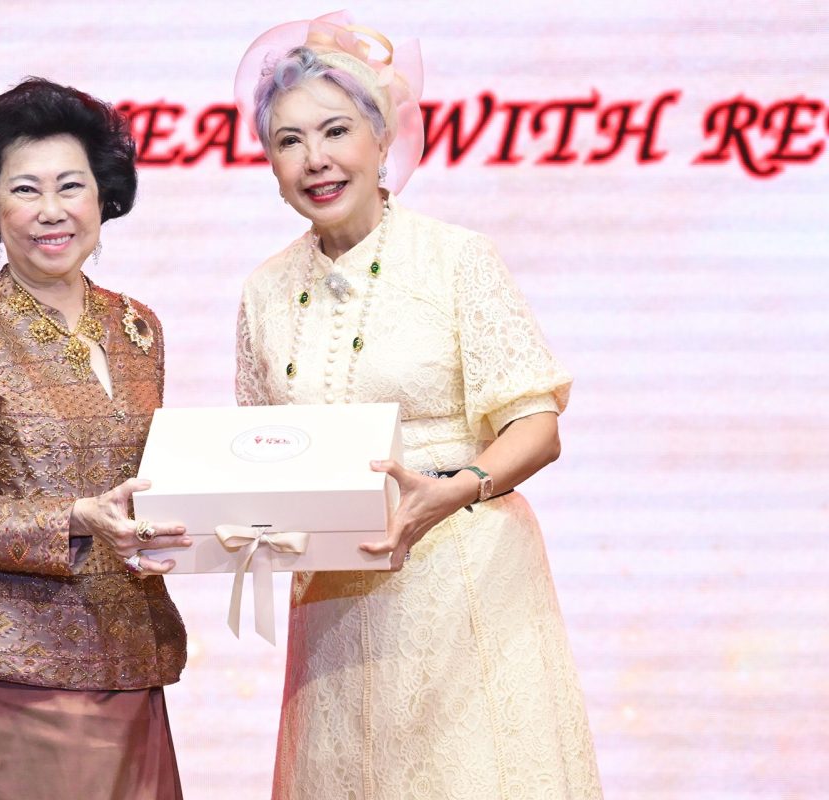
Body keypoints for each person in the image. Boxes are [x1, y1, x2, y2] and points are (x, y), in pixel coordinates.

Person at [234, 13, 603, 800]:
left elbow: (536, 426)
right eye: (289, 141)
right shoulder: (264, 291)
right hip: (335, 610)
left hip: (464, 583)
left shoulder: (456, 258)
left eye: (336, 131)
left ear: (381, 138)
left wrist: (455, 489)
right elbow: (258, 450)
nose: (316, 159)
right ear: (270, 163)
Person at [0, 77, 189, 800]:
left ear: (102, 196)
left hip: (135, 651)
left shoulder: (138, 326)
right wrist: (76, 518)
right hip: (23, 669)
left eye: (71, 185)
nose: (52, 210)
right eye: (25, 190)